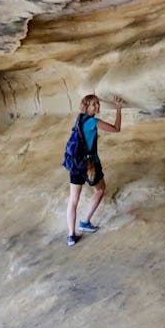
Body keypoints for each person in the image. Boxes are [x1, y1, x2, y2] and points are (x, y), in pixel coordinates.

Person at [66, 93, 123, 246]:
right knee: (100, 189)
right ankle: (85, 222)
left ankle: (71, 236)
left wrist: (99, 97)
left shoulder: (79, 118)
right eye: (94, 104)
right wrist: (118, 108)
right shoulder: (93, 122)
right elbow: (116, 129)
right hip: (90, 164)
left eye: (98, 103)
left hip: (75, 164)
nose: (97, 106)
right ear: (87, 106)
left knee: (73, 200)